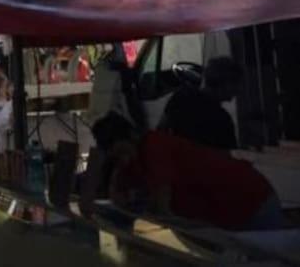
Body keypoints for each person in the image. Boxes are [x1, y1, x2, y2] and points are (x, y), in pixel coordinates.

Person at [92, 112, 285, 231]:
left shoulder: (155, 146)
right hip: (225, 217)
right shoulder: (131, 162)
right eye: (114, 155)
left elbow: (162, 208)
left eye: (120, 150)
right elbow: (117, 198)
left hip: (251, 202)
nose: (120, 158)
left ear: (131, 137)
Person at [160, 56, 242, 150]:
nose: (238, 90)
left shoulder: (180, 98)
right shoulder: (222, 120)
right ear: (224, 83)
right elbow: (227, 156)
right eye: (235, 83)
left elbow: (161, 130)